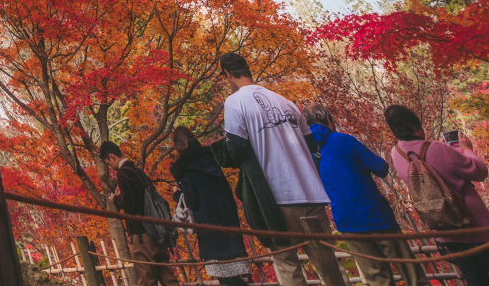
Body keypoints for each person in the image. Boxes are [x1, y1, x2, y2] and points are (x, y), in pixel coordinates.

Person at [217, 52, 348, 286]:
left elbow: (236, 148)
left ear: (228, 74)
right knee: (328, 264)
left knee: (287, 264)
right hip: (311, 194)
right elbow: (310, 144)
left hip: (277, 197)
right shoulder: (285, 101)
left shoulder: (234, 102)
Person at [386, 105, 489, 286]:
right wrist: (467, 150)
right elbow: (479, 172)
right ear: (413, 125)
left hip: (445, 229)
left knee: (475, 280)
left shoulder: (396, 154)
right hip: (473, 224)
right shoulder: (437, 148)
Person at [305, 103, 421, 286]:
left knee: (377, 278)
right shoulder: (344, 140)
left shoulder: (309, 152)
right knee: (410, 271)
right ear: (329, 119)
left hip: (347, 222)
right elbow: (381, 168)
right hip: (375, 213)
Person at [170, 127, 252, 282]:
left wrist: (177, 194)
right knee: (237, 278)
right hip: (228, 224)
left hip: (211, 231)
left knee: (226, 280)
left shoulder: (186, 169)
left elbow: (192, 201)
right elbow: (229, 194)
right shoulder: (213, 162)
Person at [101, 142, 175, 286]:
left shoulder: (123, 174)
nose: (110, 167)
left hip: (141, 235)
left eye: (108, 163)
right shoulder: (139, 172)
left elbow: (130, 204)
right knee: (168, 278)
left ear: (111, 156)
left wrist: (115, 199)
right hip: (157, 231)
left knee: (146, 279)